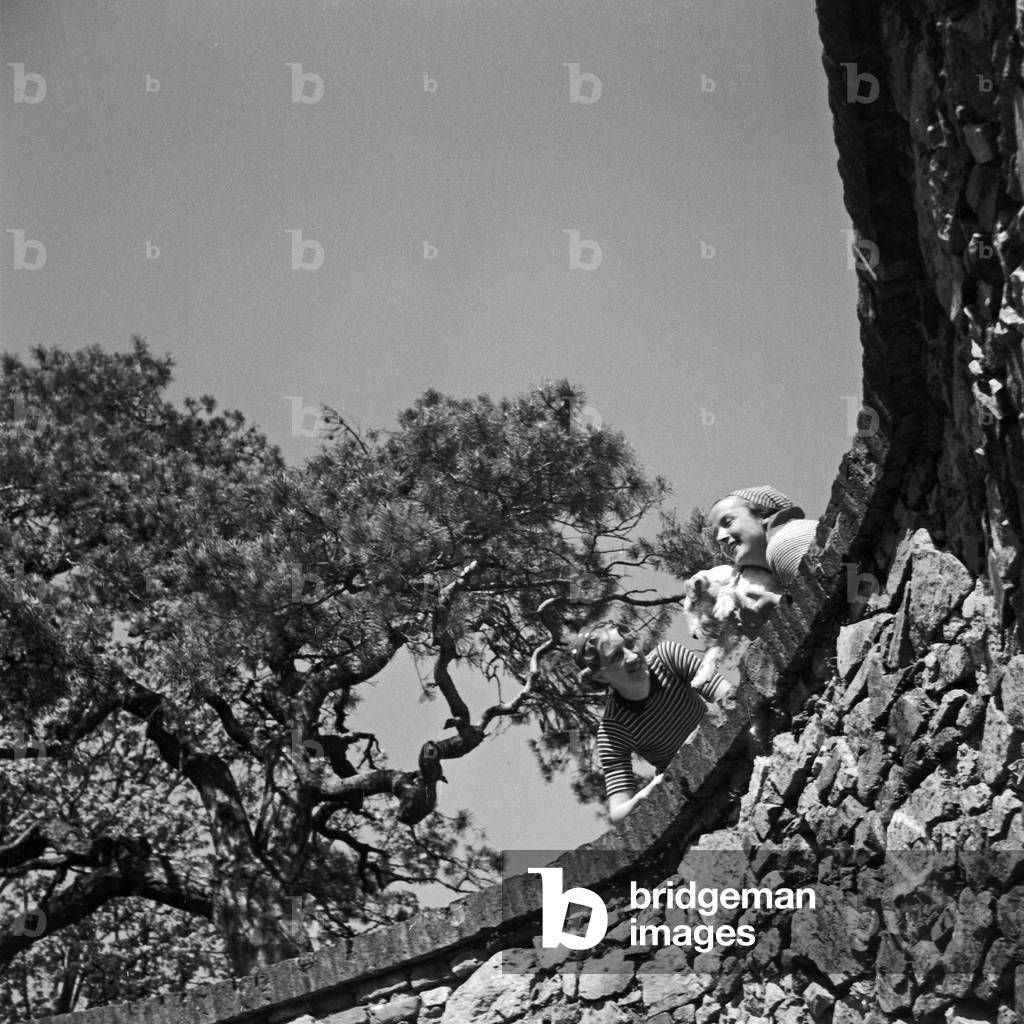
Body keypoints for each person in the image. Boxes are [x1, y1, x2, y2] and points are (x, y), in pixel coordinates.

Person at [569, 622, 733, 824]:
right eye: (617, 657)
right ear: (600, 675)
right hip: (695, 790)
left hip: (725, 747)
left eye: (630, 644)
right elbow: (618, 812)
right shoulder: (613, 730)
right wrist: (648, 792)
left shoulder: (668, 658)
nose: (632, 656)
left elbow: (728, 698)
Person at [708, 485, 818, 587]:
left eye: (728, 522)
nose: (719, 538)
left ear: (762, 513)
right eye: (716, 533)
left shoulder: (786, 542)